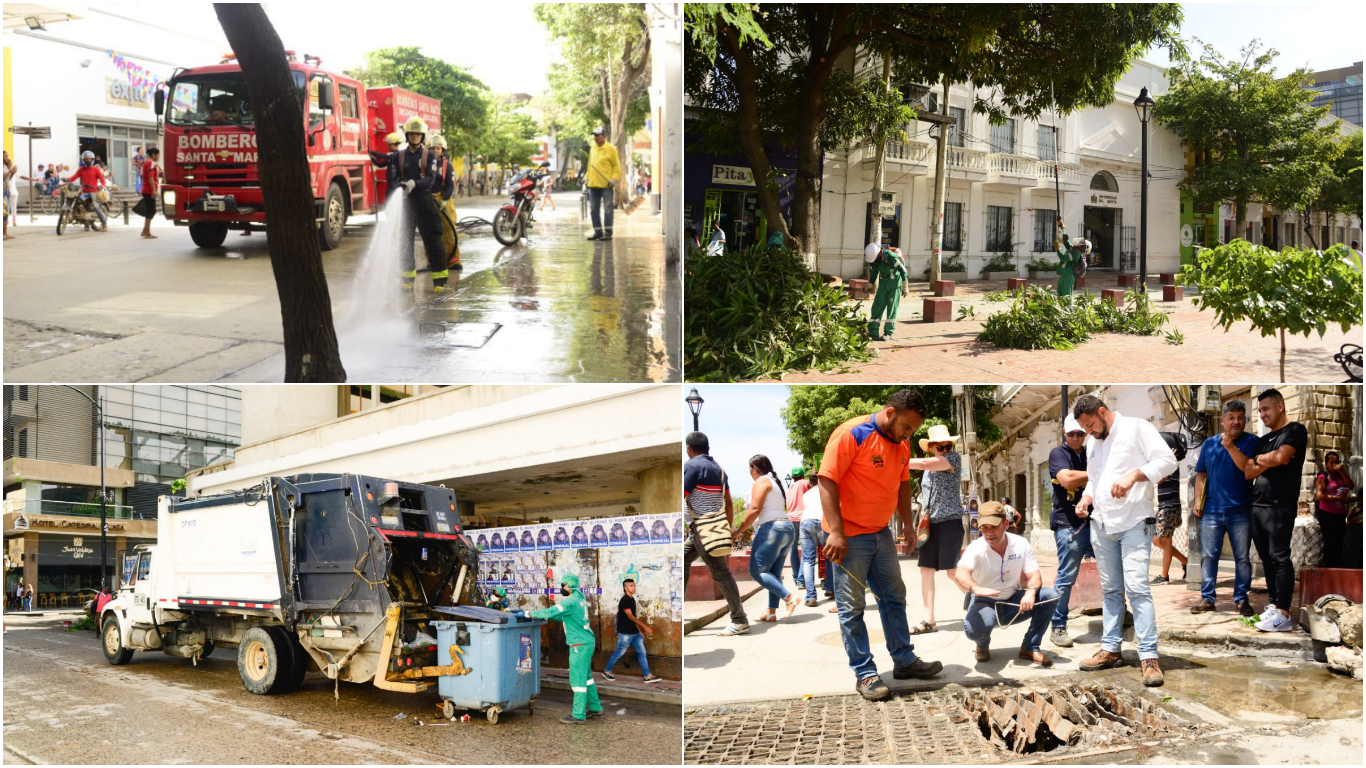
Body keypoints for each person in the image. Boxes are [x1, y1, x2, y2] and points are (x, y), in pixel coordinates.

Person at [818, 388, 944, 701]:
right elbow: (827, 479)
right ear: (890, 413)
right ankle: (865, 673)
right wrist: (836, 532)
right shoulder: (852, 434)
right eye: (906, 426)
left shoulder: (902, 443)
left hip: (881, 533)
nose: (908, 434)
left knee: (894, 598)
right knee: (852, 607)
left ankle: (904, 660)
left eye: (913, 430)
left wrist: (908, 525)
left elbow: (902, 484)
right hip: (848, 536)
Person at [1072, 393, 1177, 687]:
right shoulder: (1094, 443)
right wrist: (1086, 498)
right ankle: (1111, 649)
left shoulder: (1137, 427)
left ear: (1102, 411)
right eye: (1084, 428)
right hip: (1102, 524)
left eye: (1091, 425)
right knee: (1110, 591)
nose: (1088, 432)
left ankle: (1149, 656)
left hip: (1134, 522)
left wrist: (1134, 476)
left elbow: (1167, 461)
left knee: (1138, 589)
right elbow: (1095, 479)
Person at [955, 502, 1059, 666]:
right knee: (973, 629)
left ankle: (1030, 647)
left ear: (1005, 524)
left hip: (1014, 601)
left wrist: (1030, 593)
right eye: (984, 528)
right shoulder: (976, 547)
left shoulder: (1020, 543)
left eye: (994, 527)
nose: (989, 533)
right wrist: (976, 588)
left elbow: (1034, 575)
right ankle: (982, 645)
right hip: (985, 602)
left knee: (1050, 596)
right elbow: (960, 573)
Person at [1240, 389, 1308, 633]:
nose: (1262, 414)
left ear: (1280, 406)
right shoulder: (1263, 440)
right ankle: (1274, 605)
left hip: (1280, 506)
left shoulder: (1295, 430)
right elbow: (1248, 472)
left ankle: (1284, 613)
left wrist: (1262, 460)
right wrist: (1269, 459)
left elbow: (1282, 457)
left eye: (1266, 409)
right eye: (1260, 411)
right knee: (1267, 560)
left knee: (1279, 557)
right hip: (1257, 506)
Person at [1191, 399, 1258, 615]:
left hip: (1241, 509)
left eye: (1240, 418)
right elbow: (1201, 474)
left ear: (1245, 420)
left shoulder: (1253, 442)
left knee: (1242, 558)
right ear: (1223, 421)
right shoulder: (1209, 444)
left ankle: (1241, 599)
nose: (1236, 422)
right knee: (1208, 556)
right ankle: (1207, 598)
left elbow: (1248, 469)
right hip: (1212, 510)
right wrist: (1198, 501)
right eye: (1231, 418)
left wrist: (1230, 447)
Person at [369, 117, 449, 293]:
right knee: (404, 240)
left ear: (422, 136)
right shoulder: (398, 156)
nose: (414, 137)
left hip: (424, 201)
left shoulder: (429, 156)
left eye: (418, 134)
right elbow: (392, 179)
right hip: (405, 201)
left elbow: (430, 179)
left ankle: (440, 281)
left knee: (433, 239)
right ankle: (407, 279)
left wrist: (414, 184)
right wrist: (400, 186)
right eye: (412, 134)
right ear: (407, 135)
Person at [683, 431, 749, 636]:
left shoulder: (691, 466)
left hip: (703, 530)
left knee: (721, 573)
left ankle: (739, 619)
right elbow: (728, 502)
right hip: (709, 529)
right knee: (682, 561)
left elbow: (682, 495)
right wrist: (726, 528)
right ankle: (678, 611)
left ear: (688, 449)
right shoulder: (720, 470)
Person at [908, 423, 964, 635]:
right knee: (926, 570)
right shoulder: (929, 470)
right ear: (931, 448)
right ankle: (929, 620)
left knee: (952, 572)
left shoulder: (953, 459)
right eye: (940, 447)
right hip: (930, 524)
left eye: (948, 446)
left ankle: (983, 601)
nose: (945, 450)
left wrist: (894, 459)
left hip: (950, 521)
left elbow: (922, 463)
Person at [528, 573, 603, 724]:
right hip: (587, 642)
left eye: (563, 585)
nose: (561, 588)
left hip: (579, 645)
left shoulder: (570, 601)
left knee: (577, 679)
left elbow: (552, 611)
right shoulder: (579, 598)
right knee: (586, 677)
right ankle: (595, 708)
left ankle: (578, 715)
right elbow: (564, 616)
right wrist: (546, 616)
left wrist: (530, 614)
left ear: (571, 585)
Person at [733, 454, 798, 622]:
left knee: (757, 571)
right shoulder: (774, 482)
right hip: (786, 527)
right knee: (774, 573)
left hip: (772, 528)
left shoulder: (761, 481)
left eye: (749, 469)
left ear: (754, 469)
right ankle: (771, 612)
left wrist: (739, 530)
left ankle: (789, 598)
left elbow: (755, 509)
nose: (749, 473)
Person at [1048, 414, 1093, 647]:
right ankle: (1057, 625)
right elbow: (1066, 479)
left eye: (1080, 433)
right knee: (1066, 577)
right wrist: (1099, 473)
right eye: (1072, 433)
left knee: (1113, 571)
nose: (1076, 438)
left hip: (1096, 522)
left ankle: (1120, 613)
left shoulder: (1091, 453)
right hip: (1068, 524)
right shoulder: (1058, 454)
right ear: (1064, 432)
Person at [602, 577, 663, 683]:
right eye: (631, 586)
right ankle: (607, 671)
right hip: (625, 633)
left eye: (634, 585)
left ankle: (647, 676)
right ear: (625, 588)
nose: (633, 587)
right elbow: (630, 616)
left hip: (635, 633)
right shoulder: (625, 600)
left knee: (642, 653)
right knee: (619, 652)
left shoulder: (632, 599)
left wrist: (639, 631)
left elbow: (633, 617)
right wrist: (644, 626)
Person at [1150, 432, 1189, 584]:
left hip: (1169, 507)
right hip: (1165, 506)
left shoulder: (1171, 463)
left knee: (1165, 541)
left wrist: (1167, 459)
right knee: (1157, 540)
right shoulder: (1168, 463)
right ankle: (1185, 561)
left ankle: (1164, 575)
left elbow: (1157, 478)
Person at [427, 134, 463, 275]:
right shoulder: (424, 164)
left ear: (442, 150)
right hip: (428, 199)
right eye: (433, 148)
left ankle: (453, 260)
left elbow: (450, 184)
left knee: (448, 229)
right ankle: (432, 260)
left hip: (443, 198)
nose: (435, 150)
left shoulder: (447, 165)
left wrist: (446, 199)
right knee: (429, 231)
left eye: (438, 148)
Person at [1315, 451, 1354, 569]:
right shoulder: (1323, 477)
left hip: (1340, 513)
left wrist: (1341, 471)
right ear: (1326, 464)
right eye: (1332, 462)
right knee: (1329, 542)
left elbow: (1351, 486)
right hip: (1327, 514)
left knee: (1339, 541)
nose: (1334, 465)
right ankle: (1329, 567)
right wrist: (1339, 498)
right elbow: (1320, 496)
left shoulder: (1340, 476)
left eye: (1336, 462)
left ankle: (1338, 567)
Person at [798, 481, 834, 608]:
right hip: (822, 521)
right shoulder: (825, 490)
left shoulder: (806, 494)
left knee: (808, 560)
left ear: (810, 485)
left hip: (806, 522)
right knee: (829, 555)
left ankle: (811, 596)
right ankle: (830, 588)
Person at [585, 127, 621, 241]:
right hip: (593, 184)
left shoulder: (611, 149)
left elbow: (616, 166)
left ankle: (608, 232)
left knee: (608, 209)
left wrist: (614, 179)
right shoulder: (593, 148)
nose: (596, 138)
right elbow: (590, 165)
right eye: (594, 136)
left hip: (606, 185)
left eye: (598, 135)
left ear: (604, 136)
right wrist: (587, 178)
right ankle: (597, 231)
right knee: (593, 209)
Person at [865, 243, 907, 341]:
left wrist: (905, 286)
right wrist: (870, 283)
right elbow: (874, 273)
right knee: (877, 306)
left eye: (875, 260)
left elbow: (903, 270)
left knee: (891, 308)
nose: (874, 262)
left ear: (879, 254)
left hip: (894, 284)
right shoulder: (873, 261)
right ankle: (873, 332)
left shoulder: (890, 256)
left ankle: (888, 333)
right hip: (883, 283)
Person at [67, 150, 110, 232]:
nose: (88, 160)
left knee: (96, 207)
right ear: (83, 160)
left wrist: (101, 186)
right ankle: (85, 222)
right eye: (86, 159)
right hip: (84, 191)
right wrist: (66, 180)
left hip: (93, 191)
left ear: (92, 159)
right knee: (79, 203)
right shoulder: (81, 170)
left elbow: (102, 180)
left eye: (89, 159)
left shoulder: (96, 169)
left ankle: (104, 225)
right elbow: (73, 177)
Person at [786, 467, 811, 592]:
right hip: (802, 518)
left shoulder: (790, 488)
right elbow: (812, 485)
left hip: (790, 519)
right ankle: (801, 579)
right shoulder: (803, 483)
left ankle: (796, 577)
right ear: (802, 476)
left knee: (793, 549)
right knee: (806, 550)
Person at [139, 147, 161, 239]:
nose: (158, 156)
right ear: (153, 155)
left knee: (152, 210)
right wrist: (154, 190)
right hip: (149, 190)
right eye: (157, 154)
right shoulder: (151, 163)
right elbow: (150, 177)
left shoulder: (148, 163)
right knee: (150, 211)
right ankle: (147, 233)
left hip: (147, 189)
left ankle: (145, 231)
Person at [3, 150, 16, 239]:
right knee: (4, 212)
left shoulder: (5, 166)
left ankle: (5, 233)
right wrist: (9, 172)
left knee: (6, 212)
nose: (7, 157)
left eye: (7, 156)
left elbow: (7, 178)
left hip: (7, 190)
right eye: (5, 156)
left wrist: (12, 173)